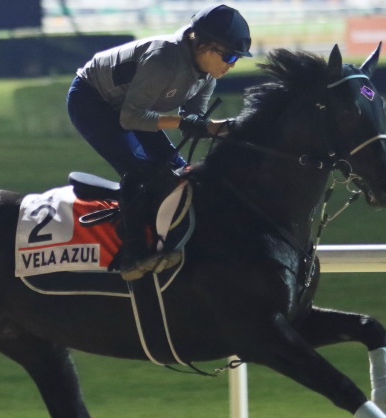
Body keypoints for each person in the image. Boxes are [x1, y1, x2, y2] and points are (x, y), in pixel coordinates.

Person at [67, 3, 252, 280]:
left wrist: (230, 129)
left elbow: (193, 123)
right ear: (204, 45)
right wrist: (185, 122)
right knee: (140, 170)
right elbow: (130, 118)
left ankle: (174, 237)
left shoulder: (206, 76)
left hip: (133, 106)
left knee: (177, 171)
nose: (231, 65)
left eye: (236, 59)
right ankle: (132, 255)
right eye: (228, 57)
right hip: (92, 101)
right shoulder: (165, 59)